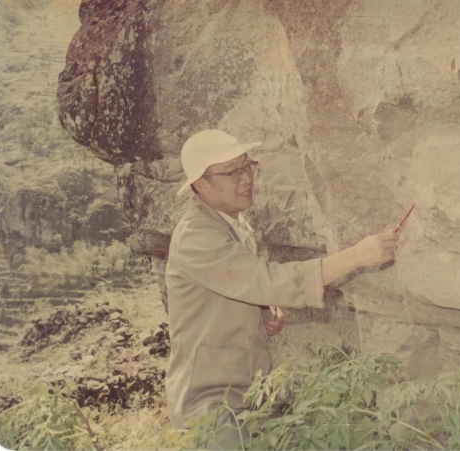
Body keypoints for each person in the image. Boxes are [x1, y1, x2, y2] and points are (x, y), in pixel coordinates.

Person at [164, 129, 398, 446]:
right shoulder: (196, 235)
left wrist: (261, 310)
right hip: (210, 403)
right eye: (232, 172)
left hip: (248, 394)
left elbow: (238, 284)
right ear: (200, 184)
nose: (245, 179)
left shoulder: (233, 223)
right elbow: (267, 280)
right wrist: (355, 257)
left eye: (247, 167)